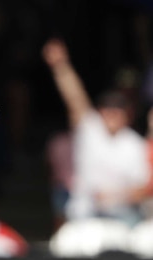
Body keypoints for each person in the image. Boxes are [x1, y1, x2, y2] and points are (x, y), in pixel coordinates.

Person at [43, 39, 151, 225]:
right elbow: (75, 98)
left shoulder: (136, 145)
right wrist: (61, 66)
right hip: (84, 213)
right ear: (100, 112)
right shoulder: (91, 130)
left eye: (118, 111)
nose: (112, 115)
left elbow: (143, 188)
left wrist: (116, 197)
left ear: (128, 115)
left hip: (124, 218)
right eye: (107, 110)